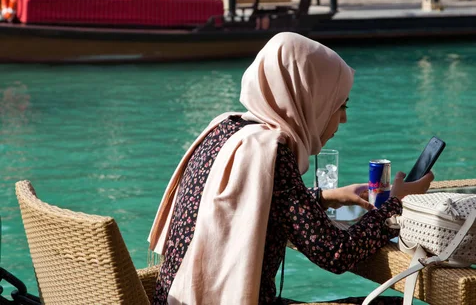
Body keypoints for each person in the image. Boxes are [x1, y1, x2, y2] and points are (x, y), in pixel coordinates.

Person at [148, 32, 434, 305]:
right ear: (311, 100)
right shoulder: (269, 151)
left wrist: (328, 196)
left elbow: (251, 201)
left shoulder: (228, 128)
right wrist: (396, 204)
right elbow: (336, 253)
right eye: (340, 105)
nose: (343, 119)